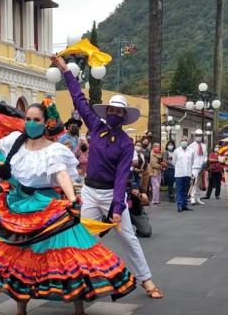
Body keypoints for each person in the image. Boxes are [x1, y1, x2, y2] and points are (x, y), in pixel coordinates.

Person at [0, 101, 136, 315]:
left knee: (71, 256)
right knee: (20, 258)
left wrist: (71, 199)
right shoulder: (15, 141)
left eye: (36, 120)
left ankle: (79, 312)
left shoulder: (54, 150)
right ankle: (20, 312)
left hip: (46, 205)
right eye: (28, 119)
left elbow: (61, 174)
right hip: (18, 206)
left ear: (45, 123)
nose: (30, 123)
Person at [55, 54, 163, 299]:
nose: (114, 113)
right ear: (108, 111)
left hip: (112, 194)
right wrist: (65, 71)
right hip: (90, 192)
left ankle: (146, 280)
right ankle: (79, 280)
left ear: (124, 116)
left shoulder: (126, 144)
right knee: (83, 236)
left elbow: (121, 176)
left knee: (128, 238)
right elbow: (78, 98)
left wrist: (117, 207)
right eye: (112, 109)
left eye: (118, 111)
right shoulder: (95, 126)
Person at [173, 138, 194, 212]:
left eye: (185, 140)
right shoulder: (176, 151)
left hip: (187, 173)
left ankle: (185, 205)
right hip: (179, 173)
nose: (184, 142)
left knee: (186, 190)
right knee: (179, 190)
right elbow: (174, 162)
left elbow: (192, 162)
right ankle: (179, 205)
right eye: (182, 140)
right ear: (180, 141)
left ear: (187, 142)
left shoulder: (191, 151)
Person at [189, 129, 208, 205]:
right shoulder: (191, 146)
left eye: (200, 136)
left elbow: (205, 155)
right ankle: (192, 198)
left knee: (200, 183)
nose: (199, 137)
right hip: (194, 167)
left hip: (202, 167)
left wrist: (205, 161)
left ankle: (198, 198)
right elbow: (190, 157)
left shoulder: (204, 145)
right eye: (197, 135)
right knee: (194, 182)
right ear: (195, 136)